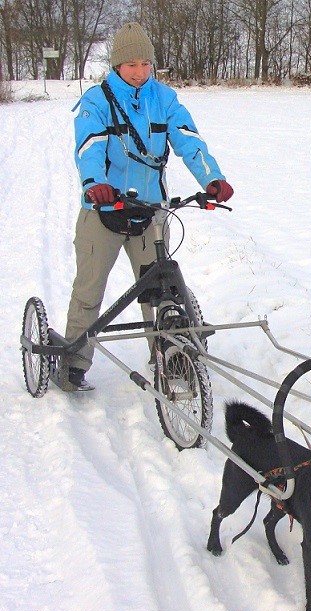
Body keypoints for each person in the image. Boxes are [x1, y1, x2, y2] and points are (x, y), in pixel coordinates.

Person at [62, 22, 233, 391]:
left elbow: (188, 140)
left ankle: (168, 357)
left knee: (159, 292)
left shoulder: (164, 98)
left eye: (145, 64)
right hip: (104, 211)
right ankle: (73, 362)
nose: (140, 73)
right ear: (116, 66)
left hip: (150, 213)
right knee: (89, 292)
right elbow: (89, 147)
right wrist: (96, 185)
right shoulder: (97, 100)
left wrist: (211, 179)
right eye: (131, 65)